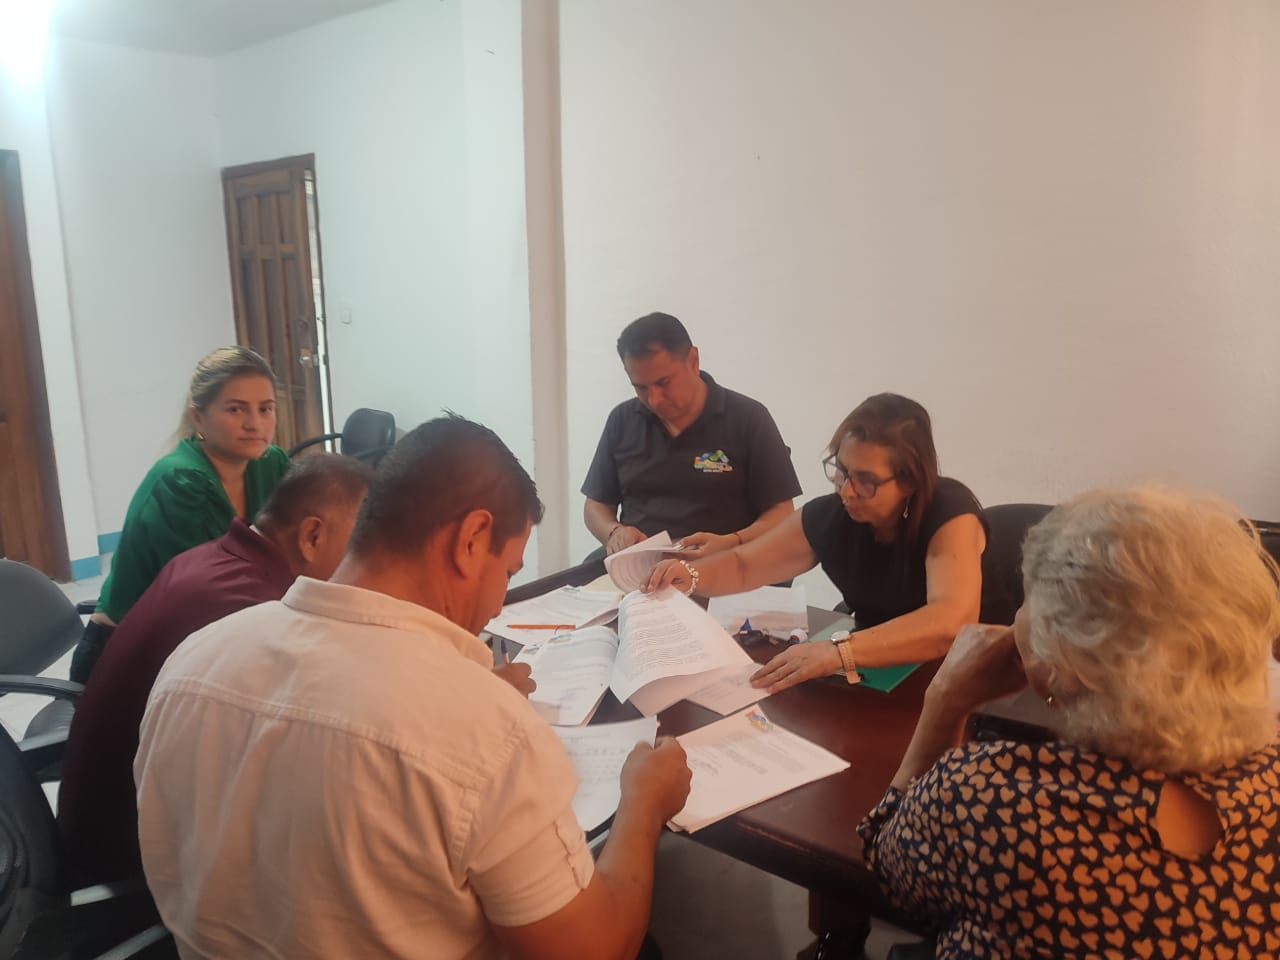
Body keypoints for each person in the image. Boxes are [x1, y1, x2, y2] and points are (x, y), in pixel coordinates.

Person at [134, 415, 692, 960]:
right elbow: (593, 950)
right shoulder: (485, 730)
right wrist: (643, 805)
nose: (498, 602)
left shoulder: (192, 662)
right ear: (471, 539)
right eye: (507, 571)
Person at [858, 487, 1280, 959]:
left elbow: (888, 869)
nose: (1017, 616)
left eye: (1027, 601)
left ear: (1061, 659)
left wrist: (945, 700)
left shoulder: (988, 797)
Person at [57, 453, 373, 886]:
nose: (365, 568)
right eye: (360, 548)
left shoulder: (213, 558)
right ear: (311, 536)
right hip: (126, 851)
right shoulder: (256, 613)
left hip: (101, 809)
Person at [645, 393, 986, 694]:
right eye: (842, 470)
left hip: (971, 670)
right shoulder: (833, 514)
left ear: (910, 480)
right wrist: (690, 575)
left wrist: (839, 651)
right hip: (881, 665)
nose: (846, 491)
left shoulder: (949, 512)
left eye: (866, 480)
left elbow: (950, 621)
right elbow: (745, 564)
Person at [70, 345, 290, 683]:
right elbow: (209, 597)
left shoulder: (270, 463)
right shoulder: (181, 482)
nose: (254, 424)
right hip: (131, 653)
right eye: (235, 409)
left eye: (265, 408)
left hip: (205, 639)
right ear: (198, 417)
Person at [582, 312, 801, 558]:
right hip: (641, 564)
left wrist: (732, 542)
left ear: (693, 361)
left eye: (663, 383)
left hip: (725, 561)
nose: (654, 400)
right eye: (640, 387)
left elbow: (782, 511)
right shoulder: (622, 420)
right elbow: (595, 505)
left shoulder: (748, 418)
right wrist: (614, 532)